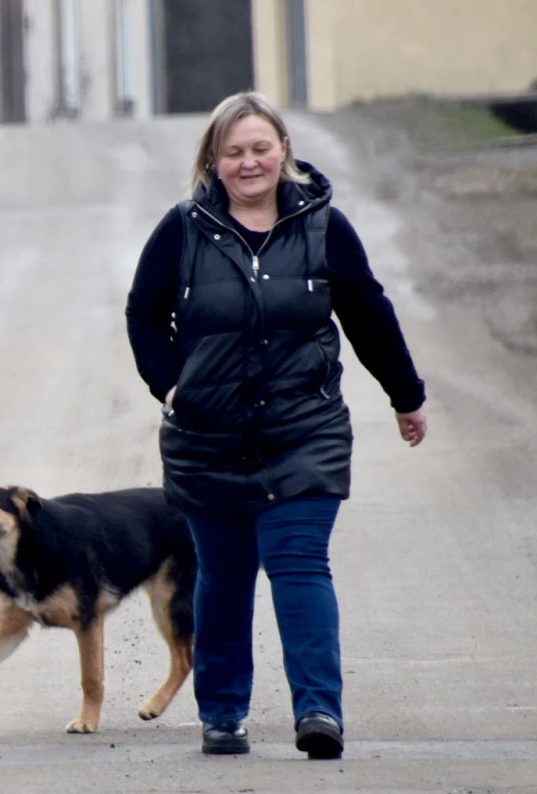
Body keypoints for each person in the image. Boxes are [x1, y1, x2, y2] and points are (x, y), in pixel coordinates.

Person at [125, 92, 426, 760]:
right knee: (223, 577)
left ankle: (319, 709)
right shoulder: (183, 229)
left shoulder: (324, 227)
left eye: (260, 147)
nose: (249, 162)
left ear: (284, 150)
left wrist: (405, 396)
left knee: (299, 565)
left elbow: (367, 311)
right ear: (213, 160)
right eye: (233, 152)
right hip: (208, 437)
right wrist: (172, 386)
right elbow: (143, 314)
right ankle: (223, 714)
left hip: (304, 430)